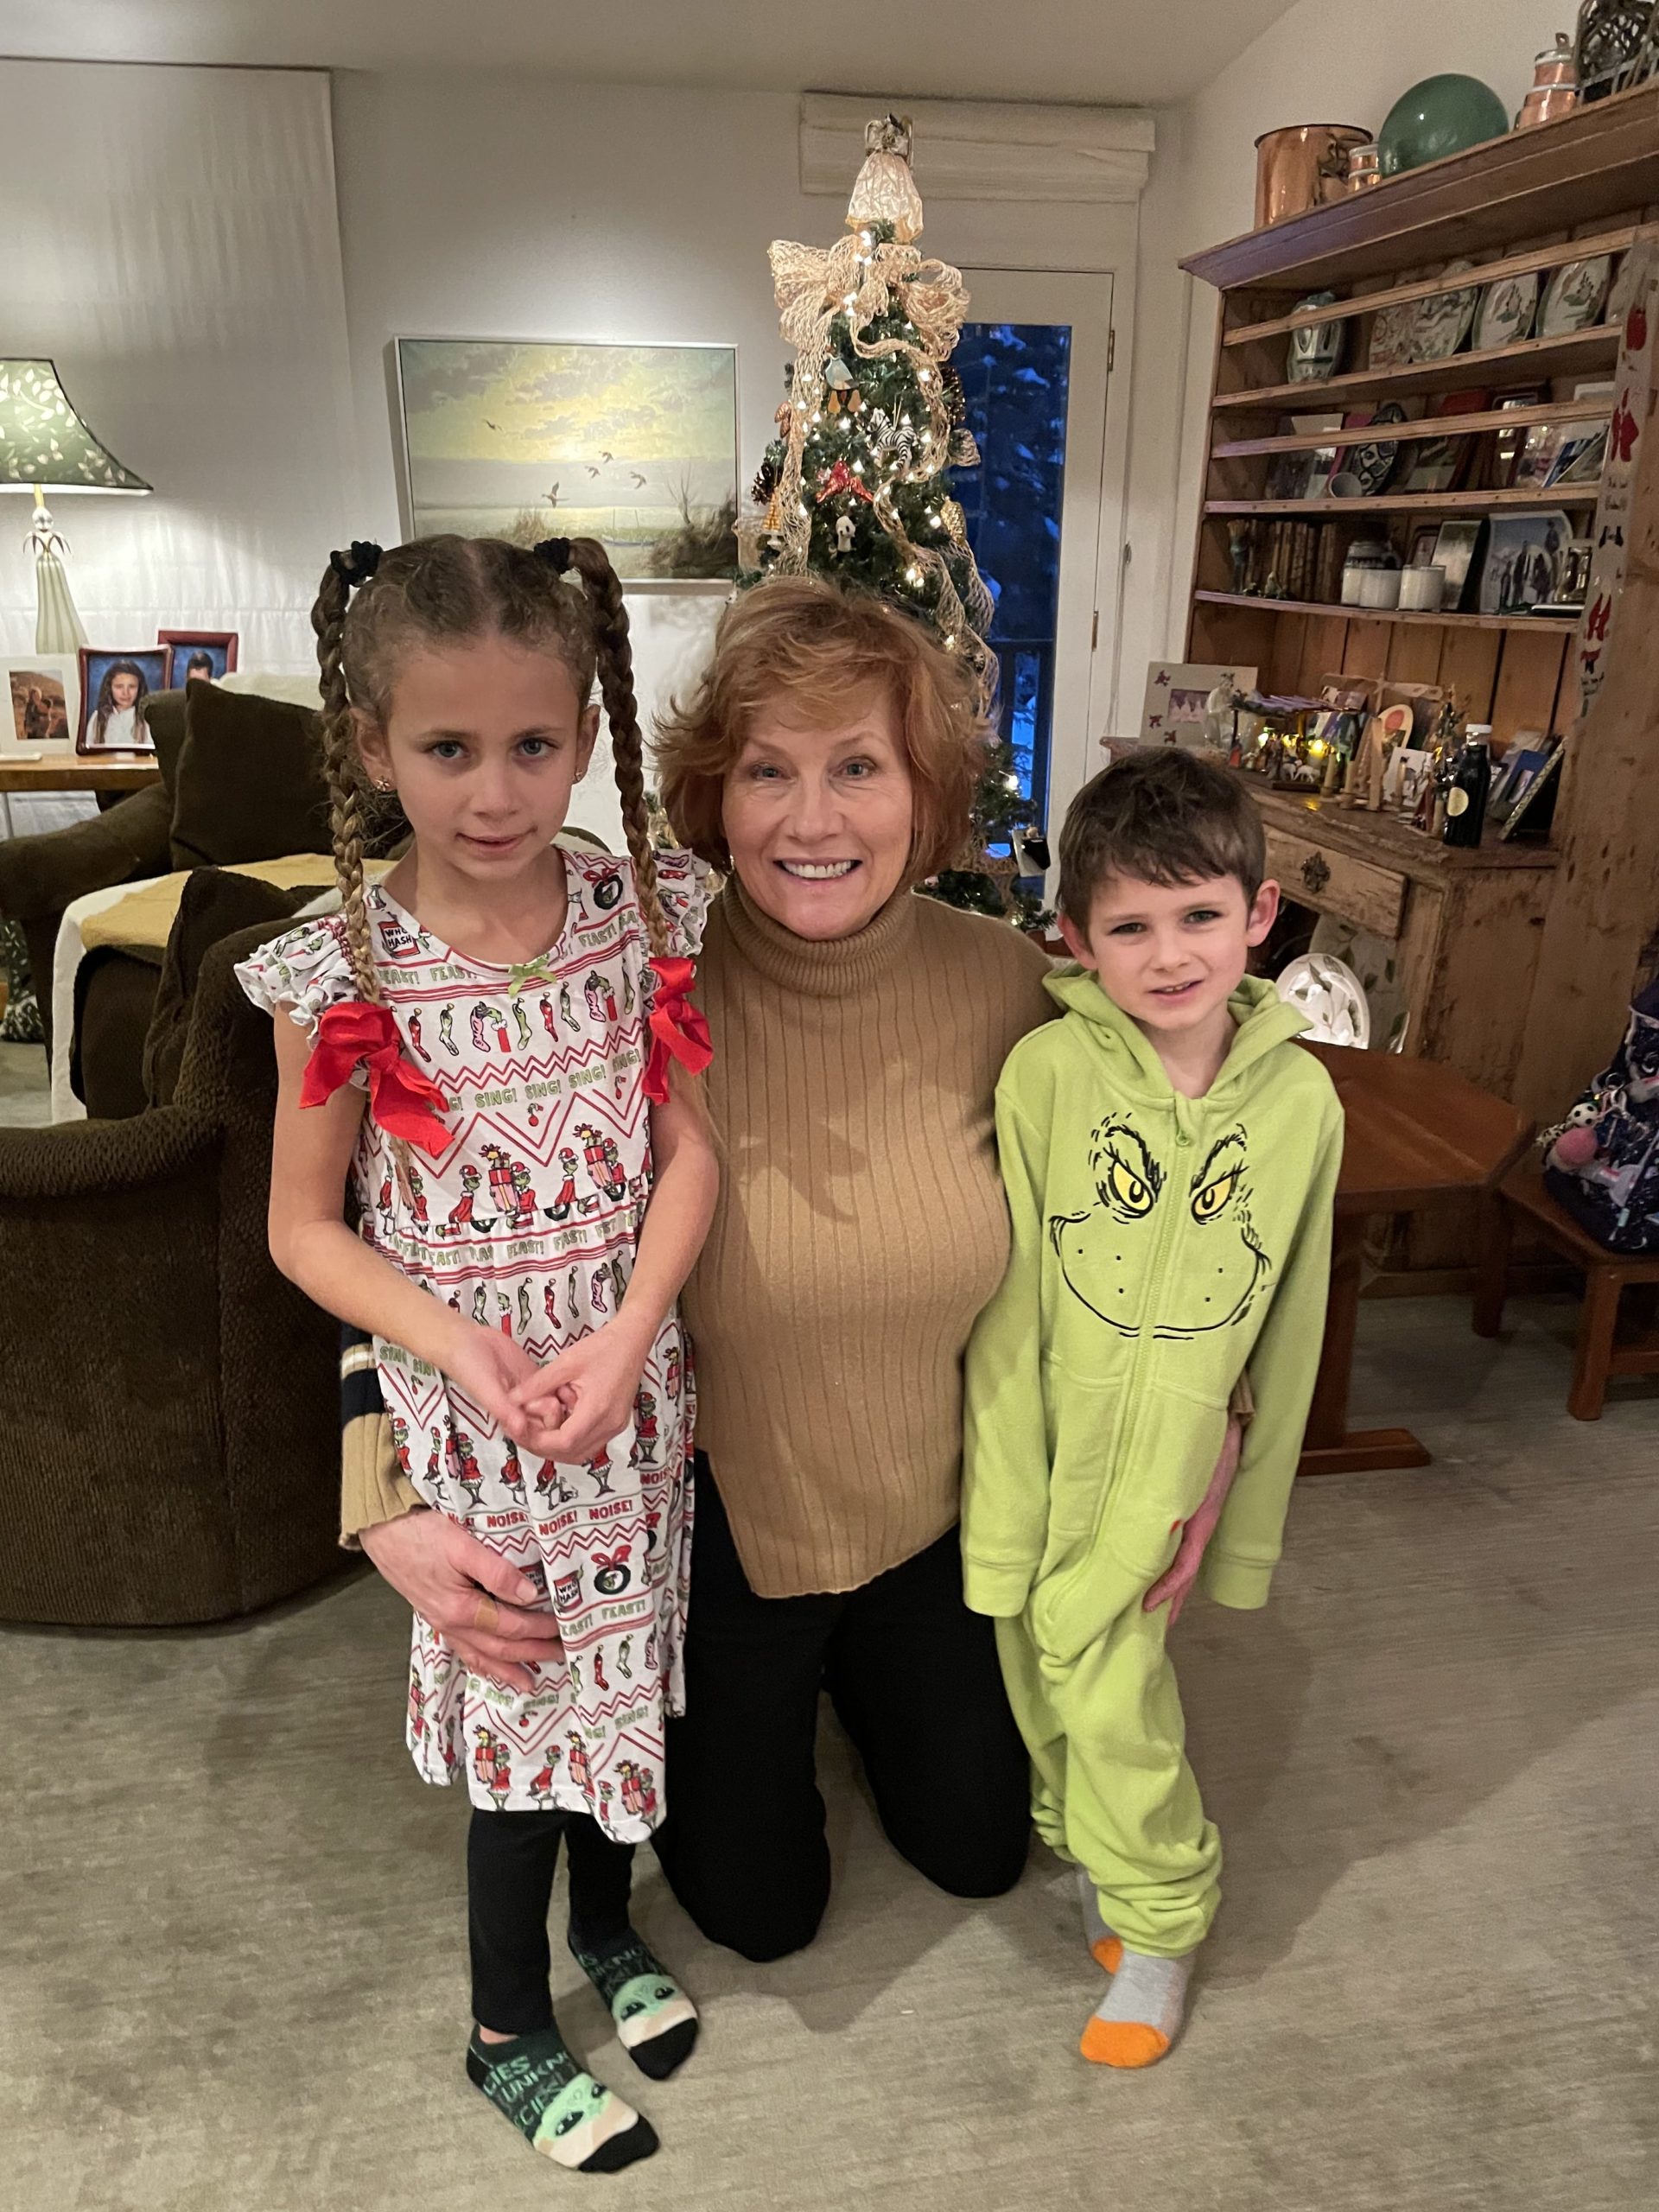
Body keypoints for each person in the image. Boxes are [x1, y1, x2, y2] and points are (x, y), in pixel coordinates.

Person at [347, 575, 1054, 1963]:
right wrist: (378, 1498)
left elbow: (1167, 1174)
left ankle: (869, 1686)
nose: (812, 820)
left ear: (926, 789)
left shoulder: (1011, 987)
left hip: (937, 1519)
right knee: (759, 1919)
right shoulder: (631, 973)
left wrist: (1217, 1422)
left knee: (982, 1850)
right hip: (712, 1535)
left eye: (859, 768)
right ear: (711, 796)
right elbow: (403, 1226)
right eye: (768, 771)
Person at [237, 532, 717, 2175]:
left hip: (632, 1412)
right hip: (472, 1435)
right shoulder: (338, 972)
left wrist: (632, 1331)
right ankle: (506, 2025)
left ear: (583, 738)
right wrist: (459, 1342)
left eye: (532, 744)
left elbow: (692, 1152)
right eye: (448, 748)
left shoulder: (640, 912)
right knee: (525, 1729)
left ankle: (609, 1927)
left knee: (623, 1685)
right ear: (375, 749)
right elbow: (305, 1229)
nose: (496, 791)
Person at [962, 747, 1343, 2071]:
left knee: (1118, 1698)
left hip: (1169, 1468)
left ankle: (1167, 1912)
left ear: (1260, 913)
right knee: (1041, 1683)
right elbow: (1008, 1301)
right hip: (1039, 1450)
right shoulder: (1046, 1075)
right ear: (1075, 936)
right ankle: (1099, 1863)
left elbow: (1291, 1326)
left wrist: (1236, 1510)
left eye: (1199, 916)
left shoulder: (1301, 1104)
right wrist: (1002, 1487)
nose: (1170, 954)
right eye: (1129, 926)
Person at [84, 658, 150, 750]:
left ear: (139, 689)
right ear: (109, 688)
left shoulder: (147, 719)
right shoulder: (98, 718)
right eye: (119, 687)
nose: (125, 693)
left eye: (132, 687)